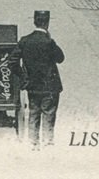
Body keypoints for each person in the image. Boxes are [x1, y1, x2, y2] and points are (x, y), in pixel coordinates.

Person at [15, 10, 65, 150]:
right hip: (50, 86)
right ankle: (48, 143)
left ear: (34, 22)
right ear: (47, 23)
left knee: (34, 112)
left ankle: (33, 144)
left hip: (32, 85)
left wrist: (23, 76)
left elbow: (12, 61)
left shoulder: (25, 40)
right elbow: (60, 58)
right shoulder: (48, 42)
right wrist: (51, 40)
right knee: (49, 114)